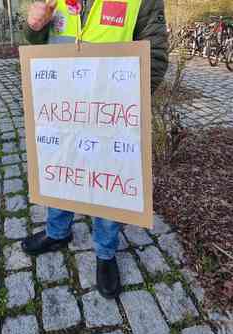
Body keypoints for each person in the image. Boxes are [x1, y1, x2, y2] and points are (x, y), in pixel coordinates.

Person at [21, 0, 169, 298]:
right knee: (61, 170)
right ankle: (57, 233)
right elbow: (41, 41)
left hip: (108, 112)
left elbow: (154, 55)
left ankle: (105, 253)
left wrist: (126, 102)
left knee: (106, 181)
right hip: (63, 109)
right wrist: (33, 28)